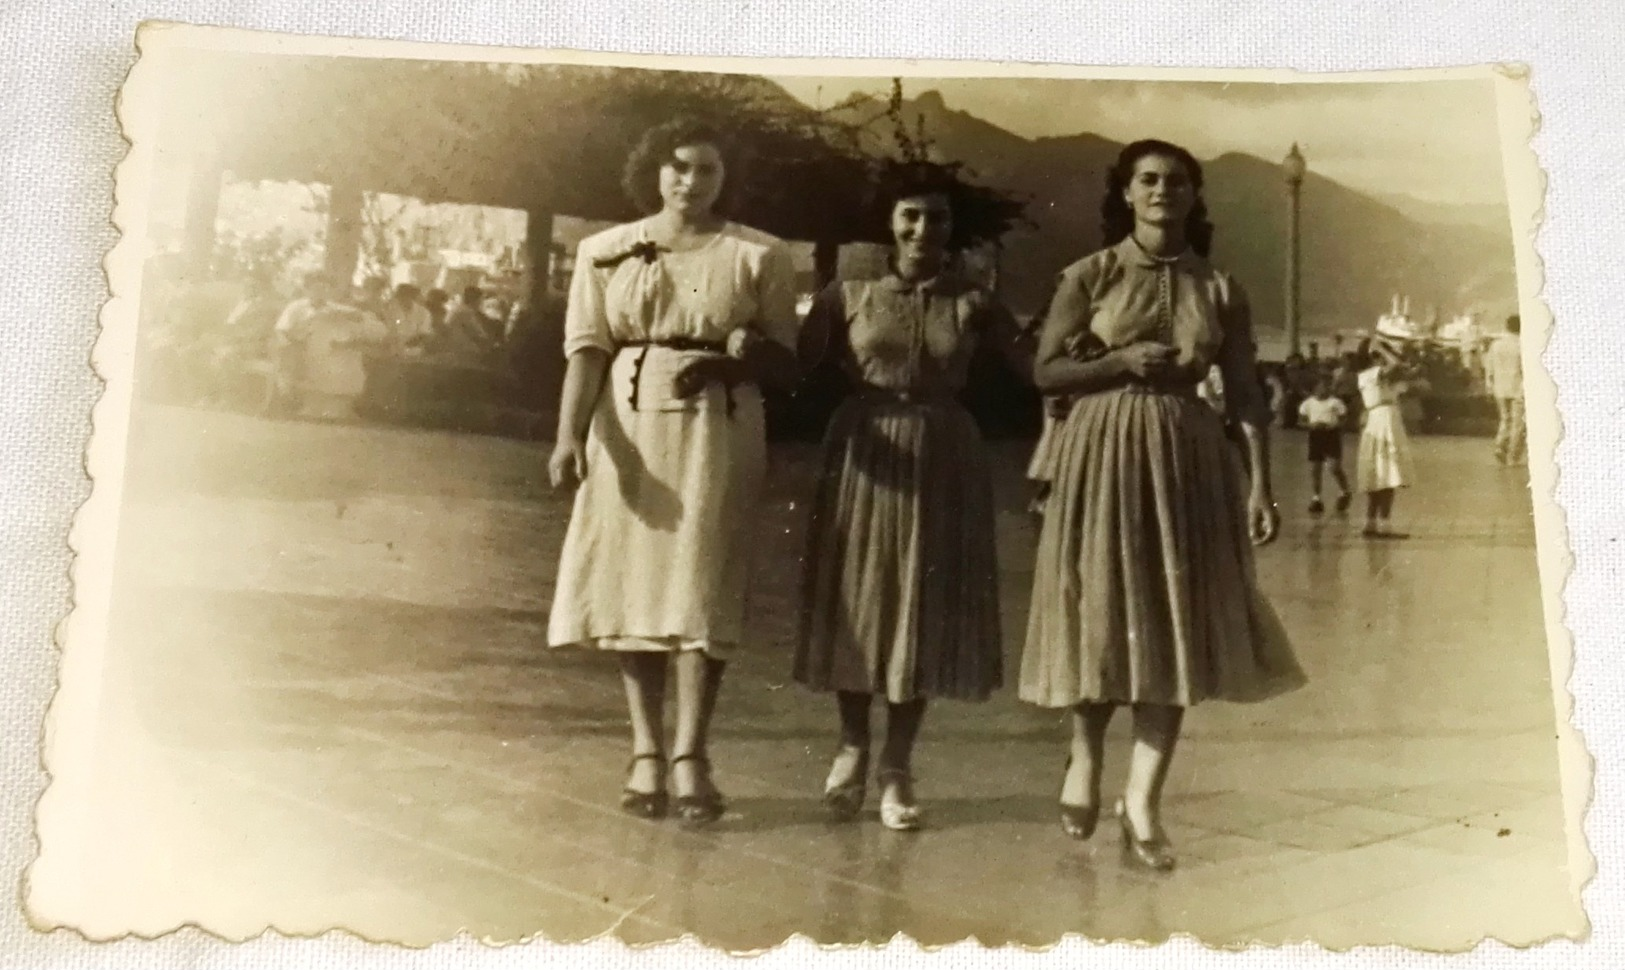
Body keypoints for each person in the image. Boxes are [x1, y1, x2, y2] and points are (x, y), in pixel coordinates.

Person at [1020, 140, 1304, 871]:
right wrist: (1114, 362)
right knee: (1100, 609)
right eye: (1146, 180)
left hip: (1187, 456)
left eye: (1175, 182)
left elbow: (1244, 393)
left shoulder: (1219, 288)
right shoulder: (1090, 275)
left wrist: (1260, 484)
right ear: (1124, 193)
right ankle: (1083, 758)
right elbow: (1045, 368)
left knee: (1174, 619)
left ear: (1192, 196)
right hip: (1100, 448)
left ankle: (1142, 800)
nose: (1161, 191)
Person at [545, 118, 799, 827]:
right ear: (652, 170)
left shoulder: (760, 255)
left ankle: (691, 754)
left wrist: (738, 356)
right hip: (626, 421)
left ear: (725, 179)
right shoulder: (604, 251)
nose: (690, 182)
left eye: (707, 171)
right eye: (678, 167)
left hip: (719, 424)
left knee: (699, 582)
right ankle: (645, 751)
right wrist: (569, 437)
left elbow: (787, 360)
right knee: (631, 582)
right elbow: (587, 351)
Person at [793, 161, 1032, 832]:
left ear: (953, 229)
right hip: (864, 446)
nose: (924, 228)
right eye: (911, 216)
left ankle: (896, 766)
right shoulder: (847, 294)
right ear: (890, 224)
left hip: (944, 453)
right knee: (859, 597)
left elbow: (1038, 366)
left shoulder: (975, 300)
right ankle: (850, 746)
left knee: (919, 608)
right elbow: (795, 363)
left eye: (938, 218)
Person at [272, 271, 390, 421]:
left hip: (327, 349)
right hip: (298, 347)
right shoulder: (296, 308)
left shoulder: (335, 308)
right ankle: (306, 405)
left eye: (324, 288)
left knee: (346, 359)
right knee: (317, 360)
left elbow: (364, 324)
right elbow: (281, 331)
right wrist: (293, 345)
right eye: (316, 288)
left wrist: (354, 320)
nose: (320, 292)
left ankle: (335, 408)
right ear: (307, 289)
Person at [1354, 336, 1415, 538]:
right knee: (1381, 471)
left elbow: (1402, 365)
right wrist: (1383, 347)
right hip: (1382, 420)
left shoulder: (1384, 381)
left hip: (1388, 419)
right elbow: (1396, 364)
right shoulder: (1368, 375)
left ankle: (1377, 523)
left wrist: (1388, 348)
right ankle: (1375, 523)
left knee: (1386, 472)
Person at [1299, 376, 1352, 515]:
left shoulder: (1335, 402)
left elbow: (1344, 419)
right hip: (1315, 435)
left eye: (1327, 386)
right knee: (1315, 468)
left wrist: (1335, 425)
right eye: (1321, 386)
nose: (1324, 389)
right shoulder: (1308, 403)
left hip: (1331, 434)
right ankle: (1316, 498)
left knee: (1334, 466)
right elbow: (1301, 421)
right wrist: (1310, 425)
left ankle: (1344, 490)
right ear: (1315, 388)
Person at [1483, 314, 1526, 466]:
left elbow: (1489, 367)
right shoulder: (1523, 345)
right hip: (1518, 388)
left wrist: (1489, 385)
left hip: (1499, 388)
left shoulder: (1496, 345)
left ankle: (1500, 444)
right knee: (1518, 423)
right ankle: (1512, 456)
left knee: (1505, 419)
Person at [380, 283, 433, 355]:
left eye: (406, 297)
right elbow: (388, 329)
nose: (403, 300)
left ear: (412, 297)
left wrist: (408, 344)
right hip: (393, 348)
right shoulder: (391, 310)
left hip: (415, 350)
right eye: (400, 297)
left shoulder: (423, 313)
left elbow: (423, 333)